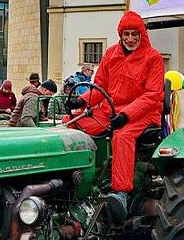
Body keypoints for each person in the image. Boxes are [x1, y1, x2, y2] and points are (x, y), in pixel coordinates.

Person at [63, 11, 164, 218]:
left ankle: (121, 193)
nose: (130, 39)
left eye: (134, 34)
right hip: (111, 110)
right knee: (71, 123)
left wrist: (126, 115)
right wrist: (81, 101)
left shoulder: (153, 58)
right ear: (120, 35)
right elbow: (100, 87)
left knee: (122, 135)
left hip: (144, 112)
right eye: (126, 34)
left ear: (141, 35)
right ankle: (75, 179)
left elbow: (152, 95)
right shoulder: (111, 54)